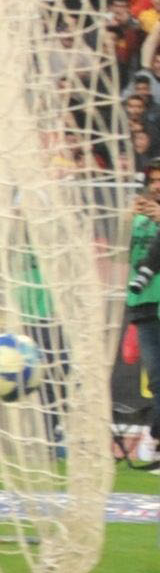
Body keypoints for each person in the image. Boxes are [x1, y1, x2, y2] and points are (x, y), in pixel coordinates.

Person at [125, 163, 160, 463]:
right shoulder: (138, 218)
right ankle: (154, 439)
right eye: (154, 180)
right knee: (157, 381)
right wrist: (126, 219)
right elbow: (116, 254)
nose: (157, 185)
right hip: (143, 304)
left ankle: (153, 438)